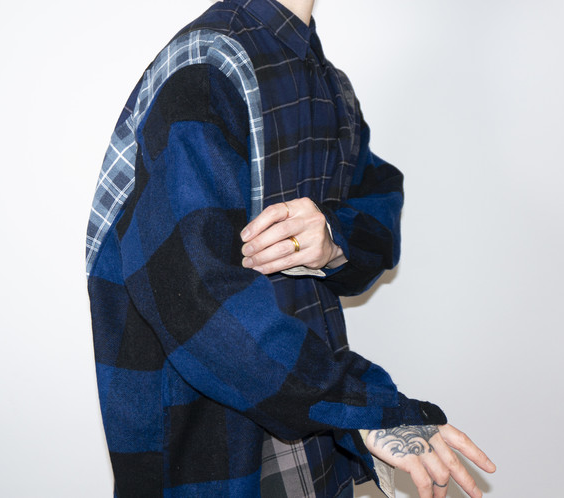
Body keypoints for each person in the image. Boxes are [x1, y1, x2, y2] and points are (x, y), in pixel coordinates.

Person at [85, 0, 496, 496]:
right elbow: (194, 298)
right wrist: (365, 407)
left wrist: (332, 238)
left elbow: (380, 205)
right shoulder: (208, 65)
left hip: (312, 431)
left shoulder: (328, 82)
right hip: (215, 449)